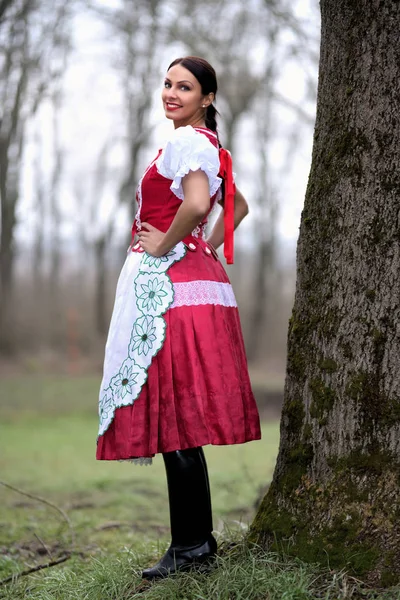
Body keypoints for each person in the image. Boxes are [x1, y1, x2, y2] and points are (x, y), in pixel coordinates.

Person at [96, 56, 261, 579]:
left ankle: (191, 546)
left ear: (206, 99)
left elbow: (195, 204)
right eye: (168, 84)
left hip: (172, 292)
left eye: (184, 87)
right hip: (198, 286)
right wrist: (200, 248)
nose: (171, 93)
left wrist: (167, 246)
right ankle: (195, 542)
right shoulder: (213, 147)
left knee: (176, 418)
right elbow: (236, 207)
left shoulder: (189, 141)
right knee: (181, 417)